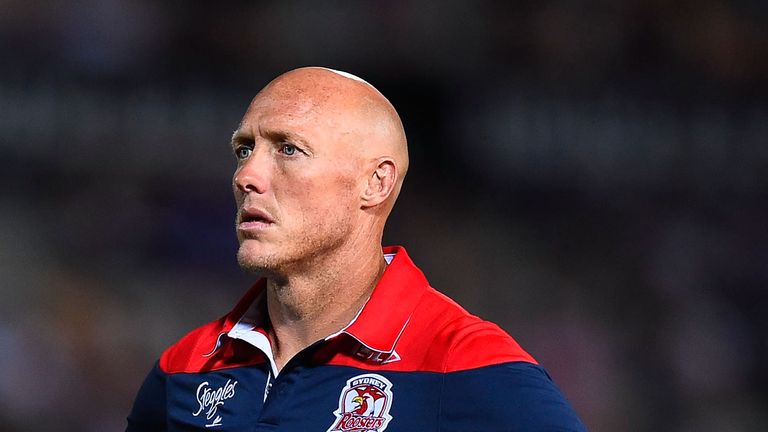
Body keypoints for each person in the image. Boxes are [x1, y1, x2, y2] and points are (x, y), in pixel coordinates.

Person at [126, 67, 586, 431]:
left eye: (288, 149)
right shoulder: (184, 367)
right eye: (245, 149)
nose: (247, 176)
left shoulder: (462, 362)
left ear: (375, 182)